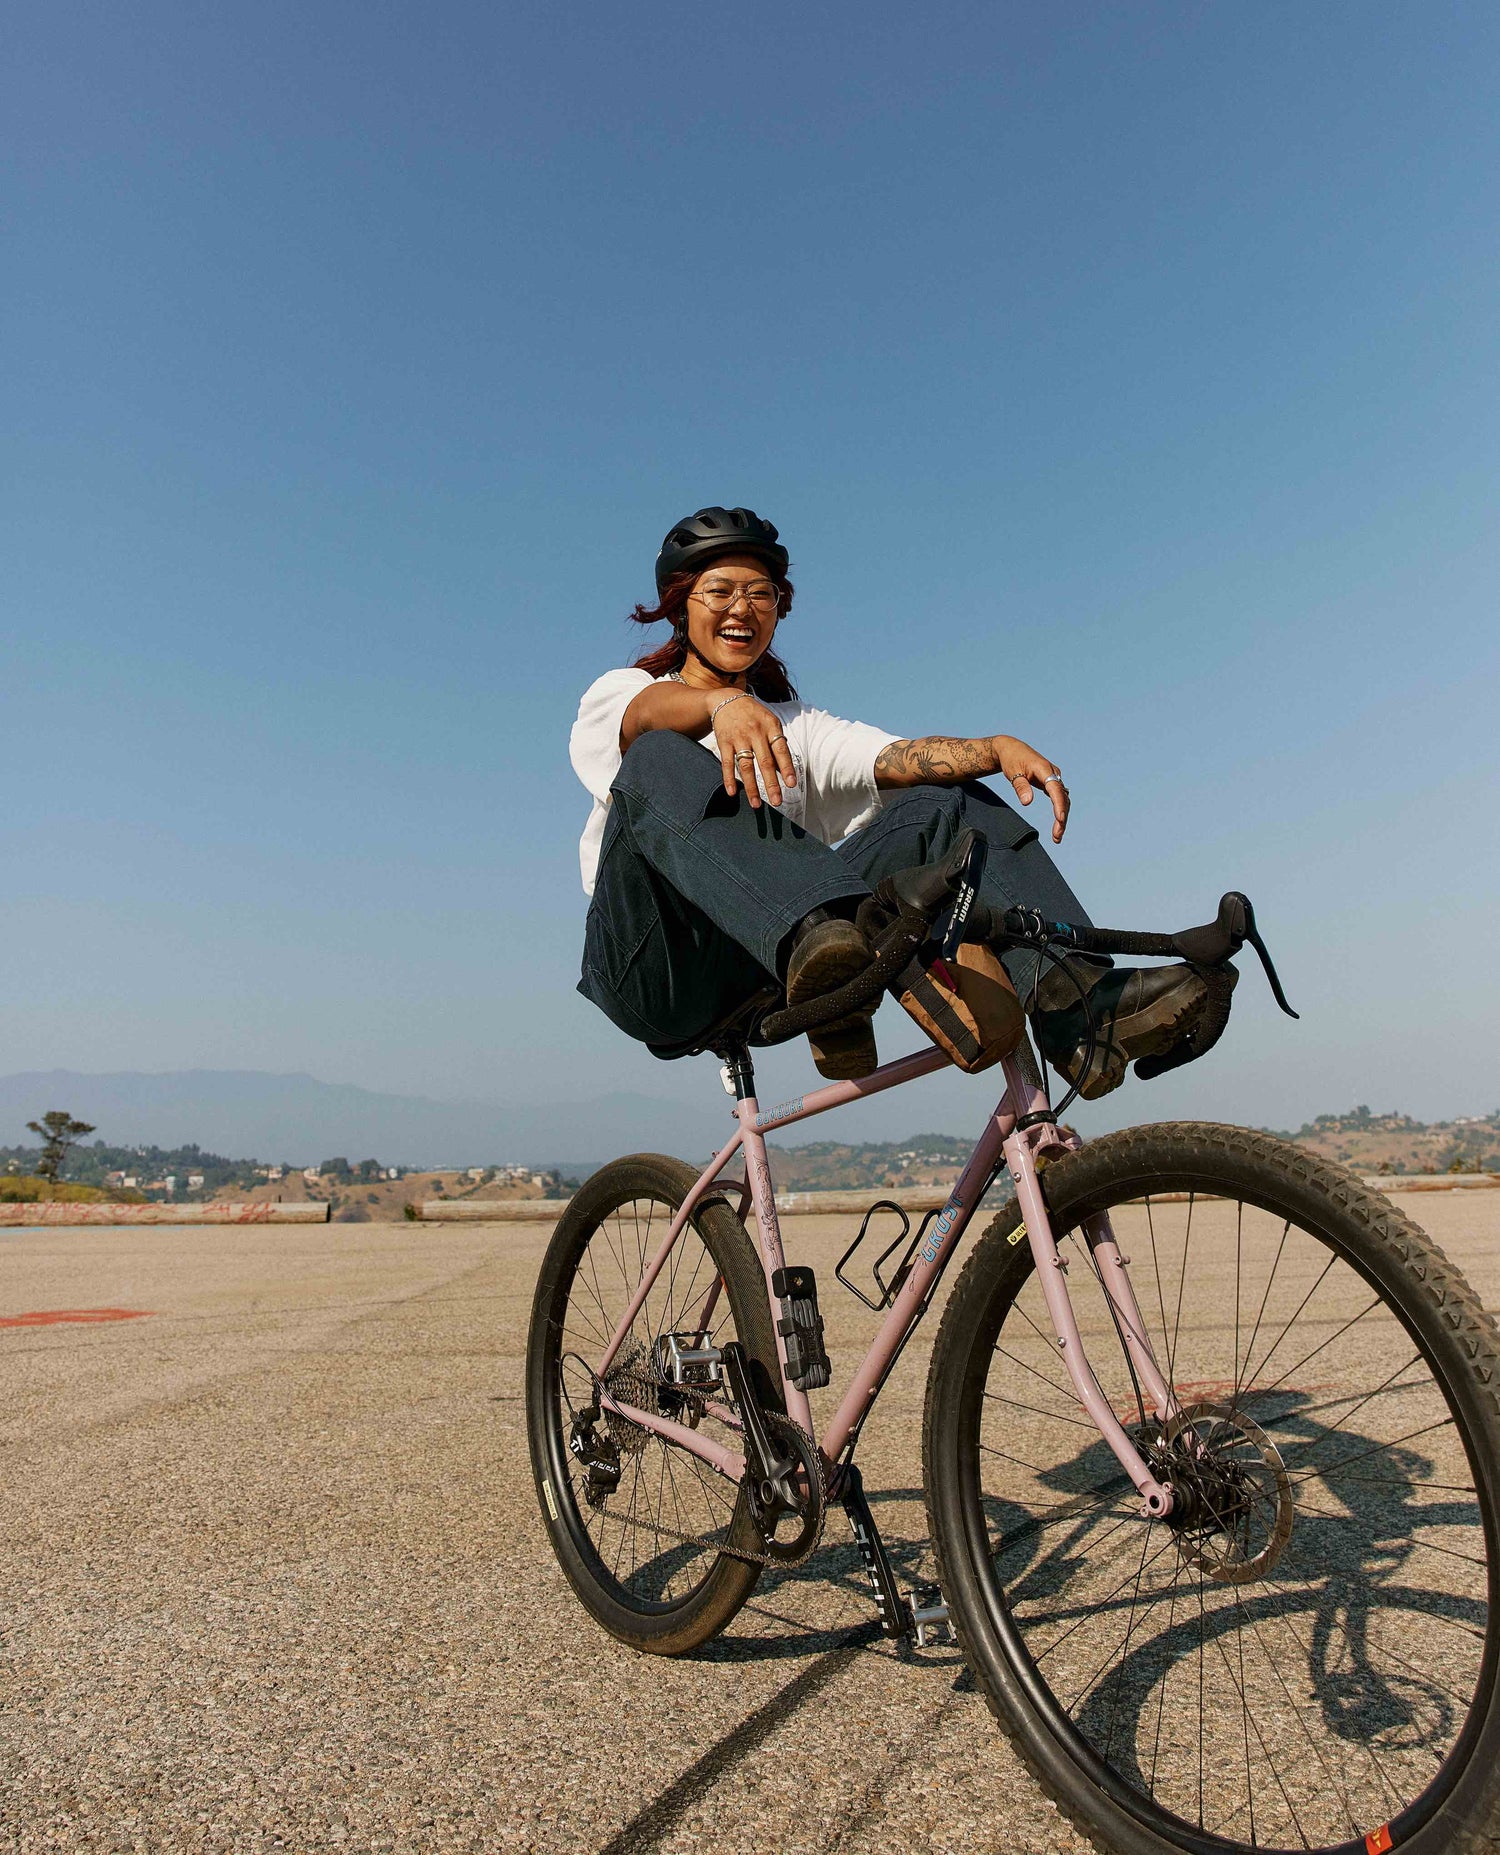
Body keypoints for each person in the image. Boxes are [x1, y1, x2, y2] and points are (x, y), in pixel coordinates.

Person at [569, 506, 1212, 1090]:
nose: (742, 608)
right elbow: (645, 716)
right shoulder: (624, 691)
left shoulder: (797, 726)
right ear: (681, 605)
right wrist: (719, 703)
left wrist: (993, 748)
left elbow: (897, 758)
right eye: (720, 591)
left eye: (760, 594)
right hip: (653, 965)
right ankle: (825, 948)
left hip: (765, 969)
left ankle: (1076, 1002)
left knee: (942, 801)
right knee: (658, 758)